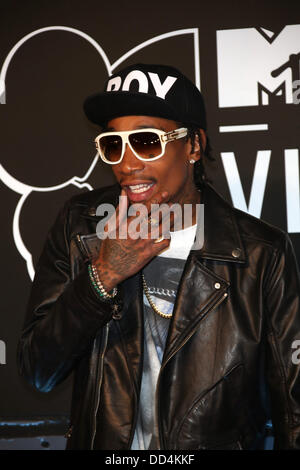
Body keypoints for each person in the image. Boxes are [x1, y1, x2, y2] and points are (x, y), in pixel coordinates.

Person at [17, 63, 300, 450]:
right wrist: (101, 277)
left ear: (194, 145)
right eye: (114, 144)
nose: (127, 163)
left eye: (147, 141)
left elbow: (293, 408)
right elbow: (38, 370)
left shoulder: (259, 252)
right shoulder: (80, 226)